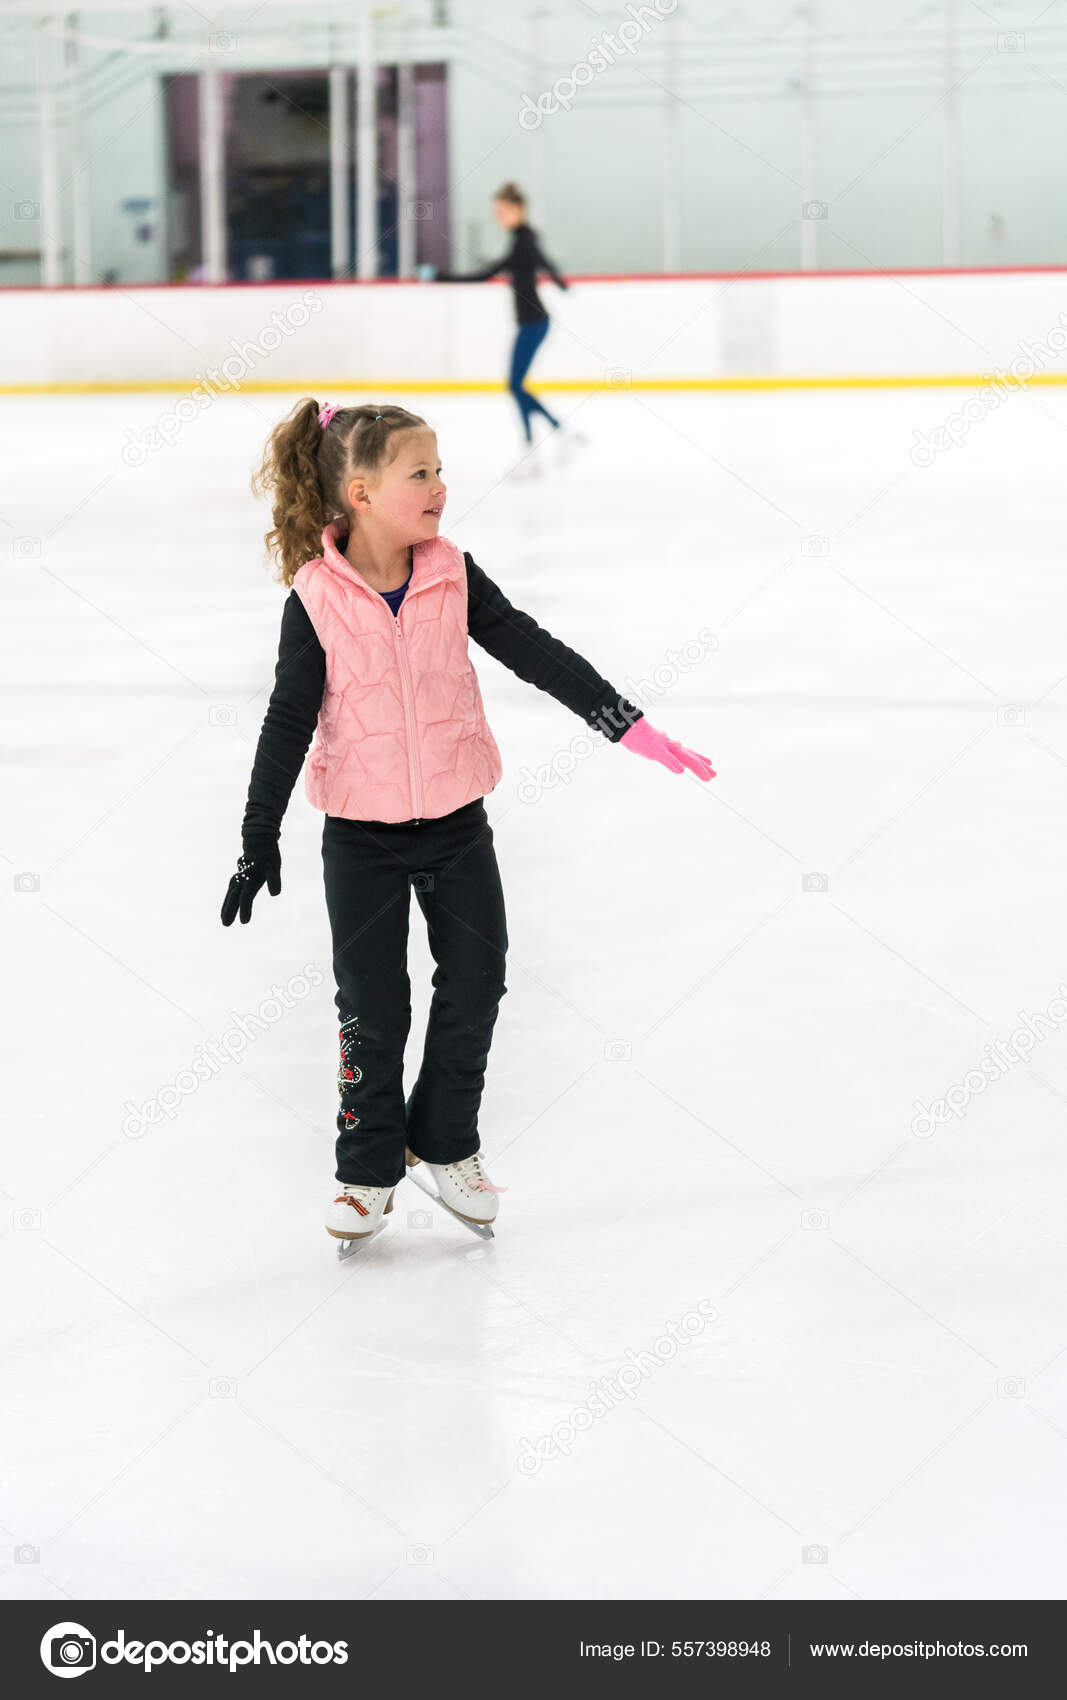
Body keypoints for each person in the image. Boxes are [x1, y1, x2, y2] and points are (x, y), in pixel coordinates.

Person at [221, 398, 715, 1247]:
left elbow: (530, 647)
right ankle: (367, 1168)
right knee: (371, 1007)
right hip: (362, 837)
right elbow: (286, 718)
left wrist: (625, 723)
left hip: (455, 821)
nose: (442, 487)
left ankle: (443, 1142)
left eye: (440, 469)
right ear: (363, 492)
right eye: (423, 473)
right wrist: (256, 831)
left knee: (478, 984)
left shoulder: (451, 572)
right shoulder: (316, 598)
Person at [433, 182, 580, 473]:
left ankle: (537, 444)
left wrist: (439, 276)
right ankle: (553, 435)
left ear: (519, 210)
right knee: (516, 385)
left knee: (514, 385)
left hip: (534, 324)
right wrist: (560, 282)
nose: (498, 216)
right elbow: (544, 261)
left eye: (502, 211)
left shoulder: (522, 243)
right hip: (532, 323)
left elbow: (485, 275)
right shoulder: (524, 239)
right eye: (496, 211)